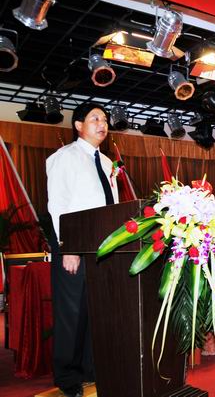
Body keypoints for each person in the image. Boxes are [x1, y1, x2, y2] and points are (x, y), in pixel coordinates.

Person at [47, 103, 119, 397]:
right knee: (72, 314)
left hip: (101, 249)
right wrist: (68, 247)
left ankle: (91, 369)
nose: (103, 124)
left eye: (105, 120)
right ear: (78, 125)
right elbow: (58, 205)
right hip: (74, 247)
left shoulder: (108, 163)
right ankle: (67, 377)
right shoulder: (64, 157)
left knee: (94, 312)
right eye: (95, 118)